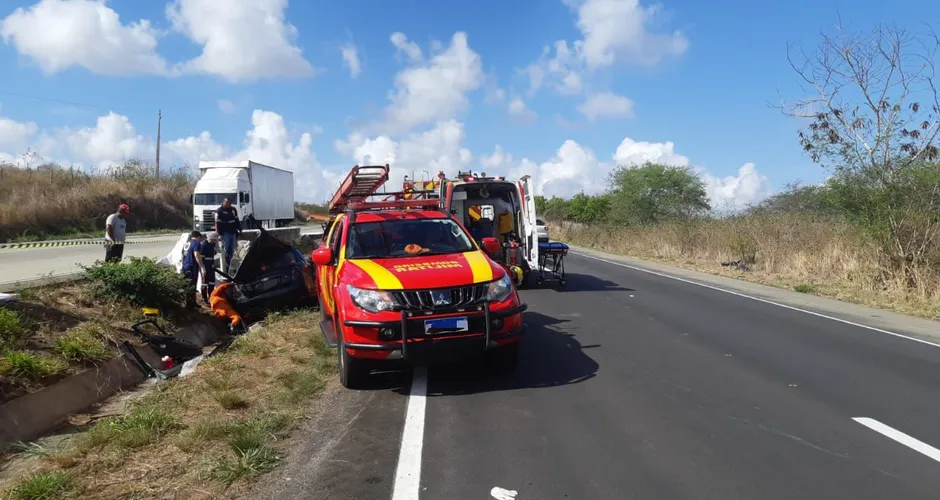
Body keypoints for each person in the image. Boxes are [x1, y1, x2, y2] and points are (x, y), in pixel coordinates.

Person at [214, 198, 241, 271]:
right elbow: (217, 223)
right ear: (223, 202)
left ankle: (232, 266)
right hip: (225, 233)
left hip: (233, 232)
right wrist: (219, 234)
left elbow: (236, 219)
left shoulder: (233, 209)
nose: (228, 204)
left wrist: (239, 229)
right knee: (226, 250)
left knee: (233, 250)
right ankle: (227, 266)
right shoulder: (219, 211)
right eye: (227, 203)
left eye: (230, 203)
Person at [181, 231, 202, 307]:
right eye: (200, 238)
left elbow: (182, 255)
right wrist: (201, 266)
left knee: (186, 284)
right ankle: (191, 303)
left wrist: (183, 265)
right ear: (198, 237)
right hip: (192, 266)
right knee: (192, 284)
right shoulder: (196, 243)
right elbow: (196, 254)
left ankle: (187, 301)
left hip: (185, 266)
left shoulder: (186, 244)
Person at [198, 232, 219, 304]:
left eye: (215, 240)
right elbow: (201, 258)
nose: (214, 242)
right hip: (205, 266)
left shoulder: (211, 245)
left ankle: (211, 297)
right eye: (213, 240)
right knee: (205, 283)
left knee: (212, 282)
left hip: (210, 266)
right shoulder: (204, 245)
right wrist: (203, 268)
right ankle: (204, 298)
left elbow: (214, 253)